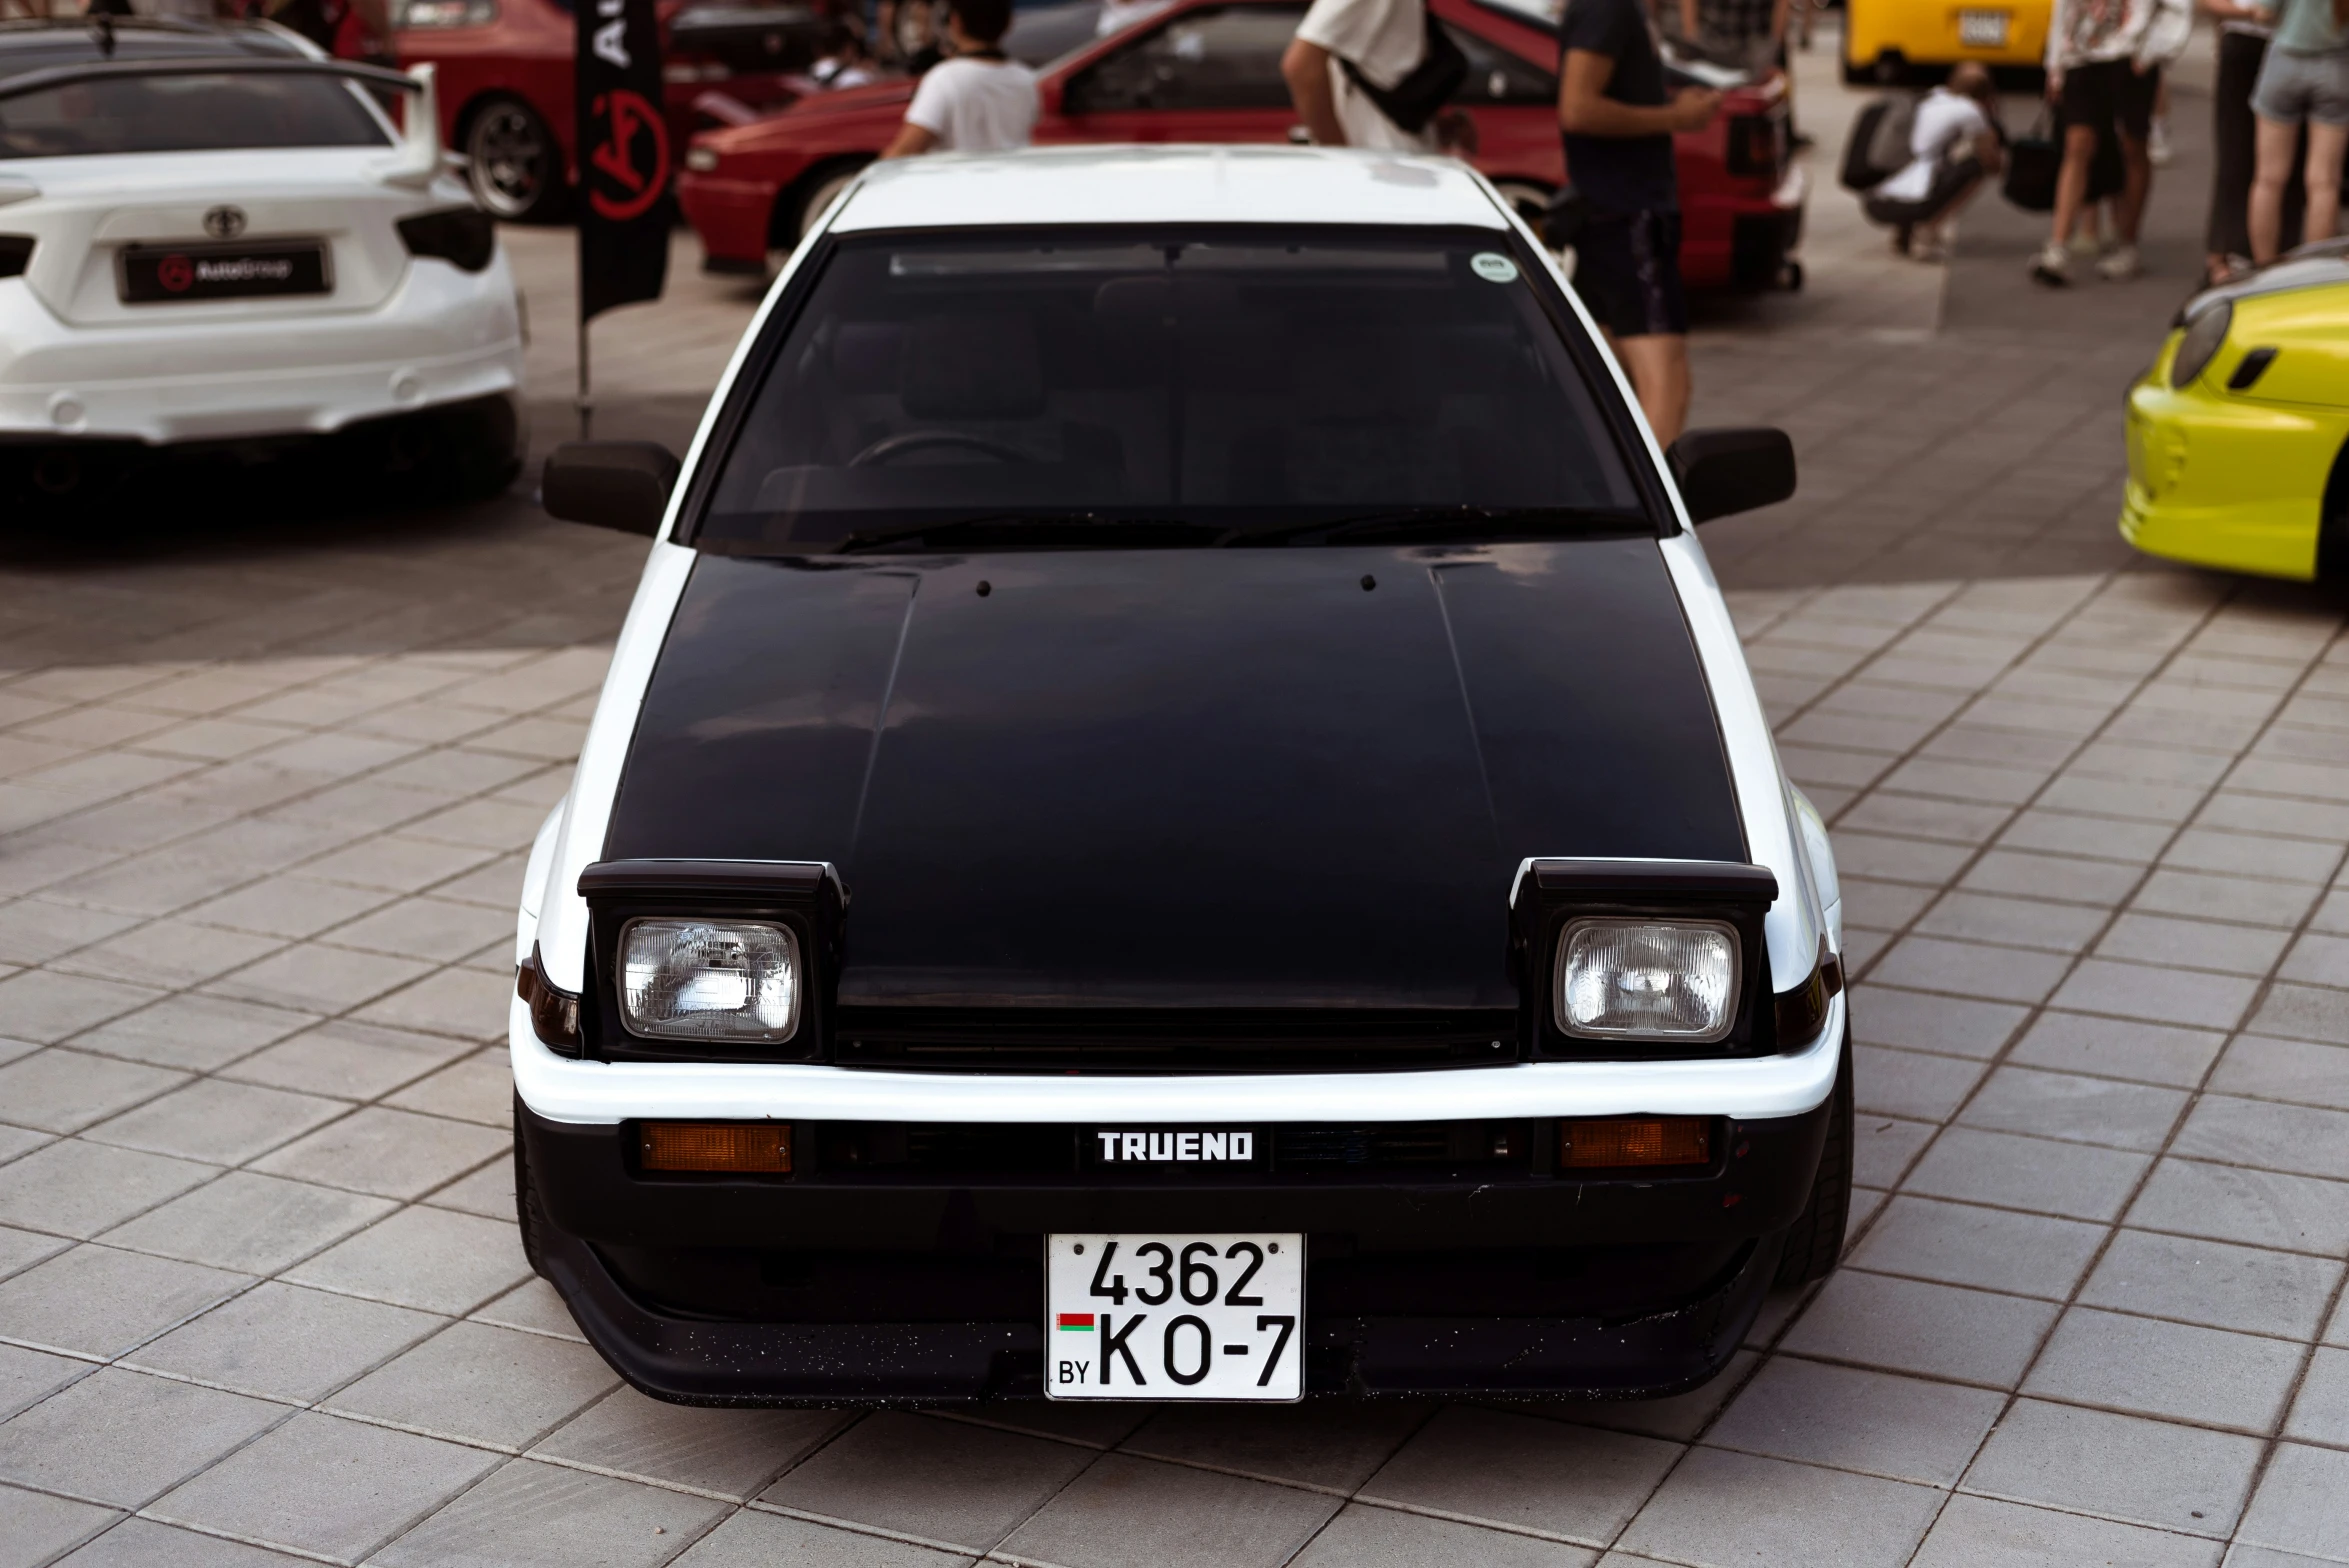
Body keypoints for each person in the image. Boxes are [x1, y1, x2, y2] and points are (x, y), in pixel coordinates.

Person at [1555, 0, 1718, 443]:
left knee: (1606, 379)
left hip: (1615, 208)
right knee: (1666, 377)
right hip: (1626, 212)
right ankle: (1653, 509)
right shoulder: (1610, 8)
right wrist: (1676, 118)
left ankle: (1603, 491)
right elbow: (1578, 107)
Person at [2032, 0, 2192, 285]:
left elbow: (2177, 7)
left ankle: (2127, 244)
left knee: (2133, 146)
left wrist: (2155, 48)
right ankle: (2058, 246)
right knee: (2078, 143)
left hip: (2130, 56)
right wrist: (2055, 61)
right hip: (2081, 56)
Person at [1281, 0, 1472, 152]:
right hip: (1381, 164)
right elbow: (1301, 67)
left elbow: (1391, 67)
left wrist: (1436, 124)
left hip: (1396, 157)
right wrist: (1341, 158)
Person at [1864, 63, 2004, 262]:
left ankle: (1903, 233)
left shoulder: (1931, 97)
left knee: (1925, 165)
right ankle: (1927, 230)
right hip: (1913, 194)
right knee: (1975, 168)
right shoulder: (1970, 110)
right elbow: (1991, 160)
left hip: (1878, 196)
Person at [2207, 0, 2306, 278]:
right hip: (2269, 43)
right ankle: (2228, 253)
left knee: (2276, 170)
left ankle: (2245, 257)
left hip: (2281, 44)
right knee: (2249, 161)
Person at [2247, 0, 2349, 261]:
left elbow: (2263, 13)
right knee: (2324, 182)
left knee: (2268, 179)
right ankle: (2314, 272)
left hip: (2285, 61)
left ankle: (2264, 266)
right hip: (2336, 65)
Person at [879, 0, 1038, 157]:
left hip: (959, 180)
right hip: (1009, 179)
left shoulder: (945, 78)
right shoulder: (1026, 78)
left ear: (955, 22)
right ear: (1009, 23)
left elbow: (904, 151)